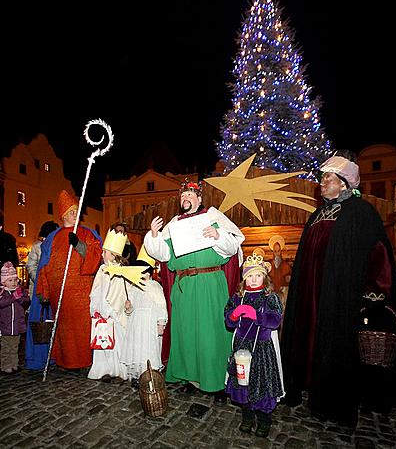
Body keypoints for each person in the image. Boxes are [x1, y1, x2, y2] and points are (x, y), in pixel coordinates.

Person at [280, 151, 396, 426]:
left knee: (337, 345)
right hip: (312, 295)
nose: (321, 183)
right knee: (310, 338)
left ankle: (333, 399)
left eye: (327, 178)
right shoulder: (317, 214)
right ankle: (307, 383)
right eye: (322, 178)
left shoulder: (361, 213)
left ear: (345, 183)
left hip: (340, 298)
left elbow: (379, 252)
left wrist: (374, 292)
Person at [144, 178, 244, 401]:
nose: (185, 198)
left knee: (212, 333)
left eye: (190, 195)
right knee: (186, 332)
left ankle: (217, 380)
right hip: (184, 286)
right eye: (183, 196)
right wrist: (153, 235)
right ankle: (190, 377)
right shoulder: (174, 223)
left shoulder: (213, 217)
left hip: (210, 283)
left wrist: (218, 236)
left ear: (199, 198)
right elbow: (163, 255)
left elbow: (232, 247)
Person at [35, 190, 102, 370]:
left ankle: (86, 361)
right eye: (72, 212)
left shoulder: (87, 233)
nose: (75, 215)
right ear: (63, 214)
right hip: (61, 293)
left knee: (82, 327)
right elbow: (45, 265)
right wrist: (44, 290)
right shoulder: (53, 237)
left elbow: (96, 256)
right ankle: (66, 362)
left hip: (82, 291)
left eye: (77, 212)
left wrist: (79, 245)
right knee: (64, 329)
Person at [225, 254, 284, 438]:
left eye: (257, 275)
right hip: (242, 349)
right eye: (249, 276)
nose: (253, 279)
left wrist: (257, 315)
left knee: (262, 386)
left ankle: (264, 421)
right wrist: (233, 316)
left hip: (262, 349)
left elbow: (275, 321)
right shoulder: (238, 297)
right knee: (244, 385)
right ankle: (247, 417)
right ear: (244, 279)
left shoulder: (270, 297)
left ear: (264, 277)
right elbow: (228, 320)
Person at [121, 246, 168, 389]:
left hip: (149, 324)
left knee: (148, 348)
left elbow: (161, 305)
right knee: (136, 348)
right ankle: (137, 375)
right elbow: (130, 310)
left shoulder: (155, 287)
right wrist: (128, 307)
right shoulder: (133, 288)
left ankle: (149, 374)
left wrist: (161, 322)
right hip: (136, 324)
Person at [88, 229, 130, 382]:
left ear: (113, 254)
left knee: (117, 343)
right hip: (102, 312)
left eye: (104, 251)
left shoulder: (120, 271)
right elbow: (96, 289)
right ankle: (104, 369)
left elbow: (119, 293)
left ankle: (118, 370)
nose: (102, 254)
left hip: (114, 314)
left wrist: (110, 309)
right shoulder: (101, 269)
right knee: (103, 343)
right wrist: (95, 307)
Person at [0, 262, 30, 374]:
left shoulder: (20, 291)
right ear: (4, 282)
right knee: (6, 348)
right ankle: (5, 366)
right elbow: (1, 303)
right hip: (6, 326)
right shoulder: (1, 292)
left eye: (15, 280)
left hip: (17, 325)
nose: (13, 283)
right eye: (10, 280)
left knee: (15, 346)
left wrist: (20, 297)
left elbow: (26, 301)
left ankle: (14, 364)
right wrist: (13, 298)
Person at [26, 221, 59, 299]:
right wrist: (39, 279)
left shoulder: (58, 246)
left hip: (54, 286)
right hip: (39, 287)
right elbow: (31, 265)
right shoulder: (37, 246)